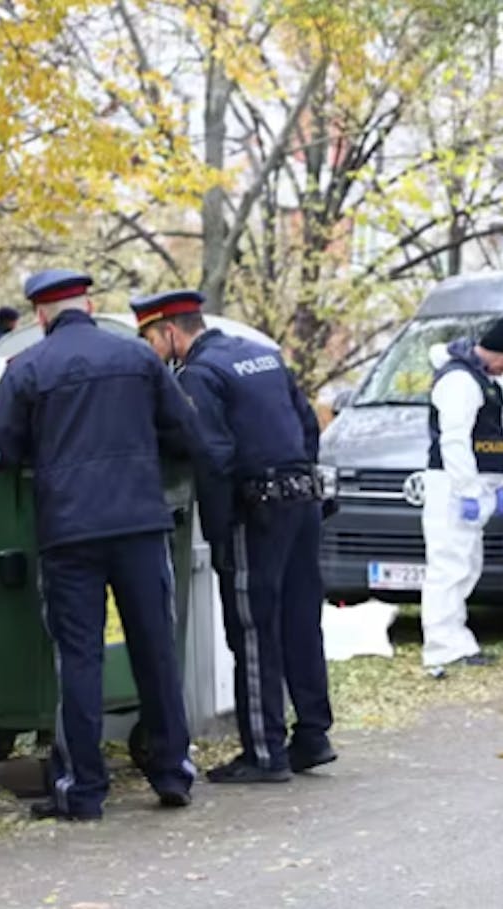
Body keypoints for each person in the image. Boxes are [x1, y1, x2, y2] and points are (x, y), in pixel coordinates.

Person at [0, 268, 199, 821]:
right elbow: (183, 427)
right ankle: (172, 771)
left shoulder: (26, 367)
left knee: (79, 656)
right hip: (140, 524)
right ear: (90, 303)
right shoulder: (138, 357)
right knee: (155, 647)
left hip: (70, 531)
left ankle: (83, 791)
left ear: (39, 315)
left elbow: (2, 444)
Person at [133, 290, 336, 784]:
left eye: (151, 341)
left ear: (171, 333)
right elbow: (308, 426)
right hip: (301, 500)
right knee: (299, 621)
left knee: (251, 628)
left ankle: (264, 753)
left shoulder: (201, 375)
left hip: (256, 510)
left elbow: (215, 455)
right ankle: (312, 735)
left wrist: (222, 532)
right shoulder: (262, 356)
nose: (152, 353)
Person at [420, 318, 503, 679]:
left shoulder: (481, 380)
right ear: (498, 351)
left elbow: (491, 438)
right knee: (448, 565)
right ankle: (441, 645)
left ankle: (457, 639)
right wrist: (467, 490)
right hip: (453, 486)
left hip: (471, 486)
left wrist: (497, 486)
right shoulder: (460, 381)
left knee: (465, 564)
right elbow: (454, 440)